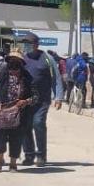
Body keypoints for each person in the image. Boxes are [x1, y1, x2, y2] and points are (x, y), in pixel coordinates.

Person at [0, 50, 38, 173]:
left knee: (16, 139)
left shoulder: (27, 78)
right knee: (0, 138)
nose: (14, 65)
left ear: (21, 64)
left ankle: (13, 164)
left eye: (17, 62)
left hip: (19, 114)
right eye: (11, 62)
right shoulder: (1, 74)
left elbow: (36, 97)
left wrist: (26, 101)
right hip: (2, 111)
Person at [19, 32, 64, 167]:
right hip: (25, 99)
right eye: (25, 43)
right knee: (25, 127)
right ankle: (29, 155)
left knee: (38, 123)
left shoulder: (47, 58)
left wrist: (59, 97)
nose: (26, 46)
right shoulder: (22, 58)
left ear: (36, 44)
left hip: (42, 99)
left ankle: (41, 155)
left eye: (29, 43)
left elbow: (56, 77)